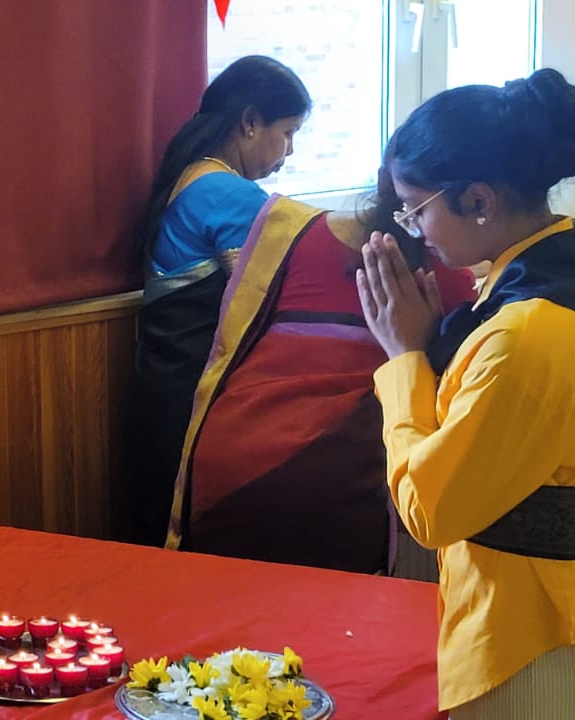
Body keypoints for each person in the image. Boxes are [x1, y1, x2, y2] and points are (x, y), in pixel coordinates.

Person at [356, 69, 575, 716]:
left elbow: (432, 512)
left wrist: (405, 358)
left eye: (416, 209)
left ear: (477, 199)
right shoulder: (573, 259)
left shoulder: (531, 332)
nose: (417, 231)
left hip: (539, 636)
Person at [162, 182, 475, 574]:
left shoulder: (289, 231)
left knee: (230, 602)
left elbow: (228, 349)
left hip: (224, 465)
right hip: (337, 479)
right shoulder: (448, 273)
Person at [125, 55, 311, 546]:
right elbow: (290, 284)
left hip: (161, 396)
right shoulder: (227, 193)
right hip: (196, 403)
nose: (289, 150)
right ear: (249, 122)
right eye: (288, 132)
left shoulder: (189, 176)